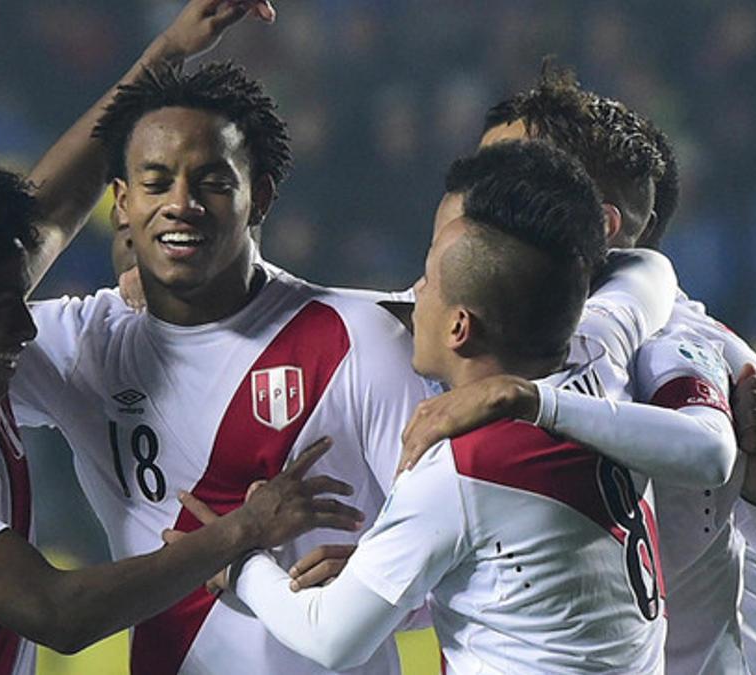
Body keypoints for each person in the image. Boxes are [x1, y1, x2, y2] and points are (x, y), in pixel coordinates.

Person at [0, 31, 432, 675]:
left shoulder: (361, 339)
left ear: (262, 197)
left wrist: (376, 591)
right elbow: (59, 612)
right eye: (156, 181)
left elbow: (461, 540)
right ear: (122, 205)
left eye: (213, 181)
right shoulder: (67, 349)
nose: (181, 205)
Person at [399, 68, 756, 673]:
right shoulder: (466, 338)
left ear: (602, 224)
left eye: (506, 180)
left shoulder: (697, 355)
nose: (471, 201)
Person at [186, 140, 668, 672]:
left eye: (429, 279)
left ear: (460, 326)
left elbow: (330, 638)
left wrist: (240, 564)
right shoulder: (600, 365)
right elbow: (649, 269)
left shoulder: (459, 469)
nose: (413, 293)